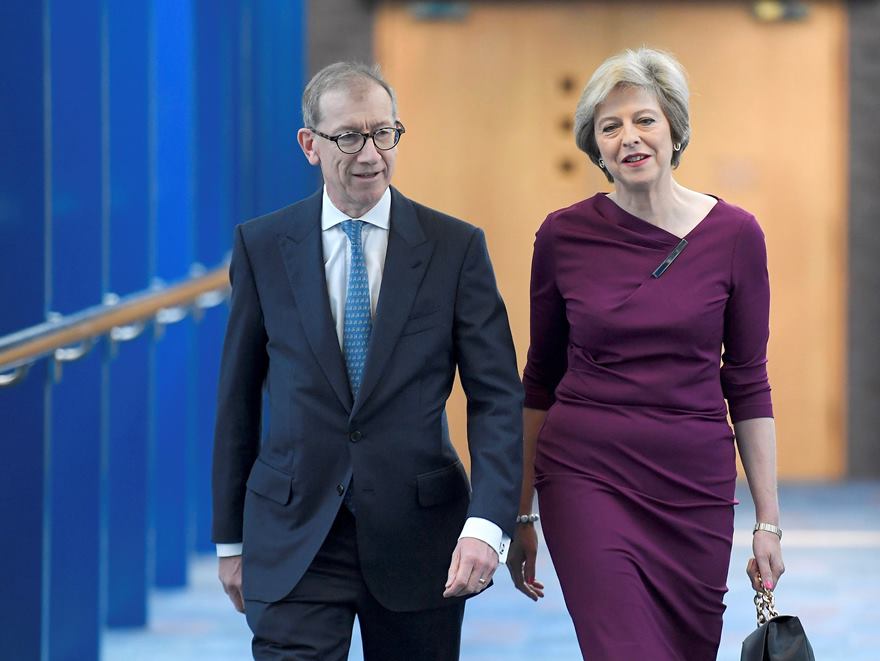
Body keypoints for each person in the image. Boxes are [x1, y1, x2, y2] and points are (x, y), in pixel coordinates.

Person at [211, 61, 523, 661]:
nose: (370, 153)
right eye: (349, 136)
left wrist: (488, 523)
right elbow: (237, 397)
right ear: (310, 145)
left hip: (419, 535)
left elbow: (496, 397)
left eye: (385, 133)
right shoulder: (262, 246)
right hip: (295, 530)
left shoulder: (455, 248)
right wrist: (229, 538)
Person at [506, 48, 785, 660]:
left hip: (695, 487)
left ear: (674, 129)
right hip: (587, 476)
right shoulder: (562, 236)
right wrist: (520, 511)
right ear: (595, 146)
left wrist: (767, 519)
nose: (629, 137)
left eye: (643, 120)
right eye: (610, 127)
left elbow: (747, 381)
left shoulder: (737, 235)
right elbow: (539, 381)